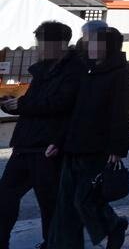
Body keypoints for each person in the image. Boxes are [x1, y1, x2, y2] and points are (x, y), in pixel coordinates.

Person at [0, 21, 84, 249]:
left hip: (48, 147)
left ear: (59, 44)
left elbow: (62, 104)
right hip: (25, 143)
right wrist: (14, 104)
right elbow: (34, 103)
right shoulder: (42, 69)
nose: (39, 47)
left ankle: (53, 243)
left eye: (42, 42)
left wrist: (23, 104)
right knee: (5, 195)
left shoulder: (75, 70)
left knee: (49, 202)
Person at [49, 26, 129, 249]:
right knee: (65, 203)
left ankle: (114, 225)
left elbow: (122, 112)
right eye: (90, 43)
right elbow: (73, 110)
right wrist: (58, 140)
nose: (92, 48)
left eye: (98, 43)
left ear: (109, 46)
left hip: (98, 147)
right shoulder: (86, 70)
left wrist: (117, 147)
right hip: (73, 144)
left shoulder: (119, 73)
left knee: (84, 200)